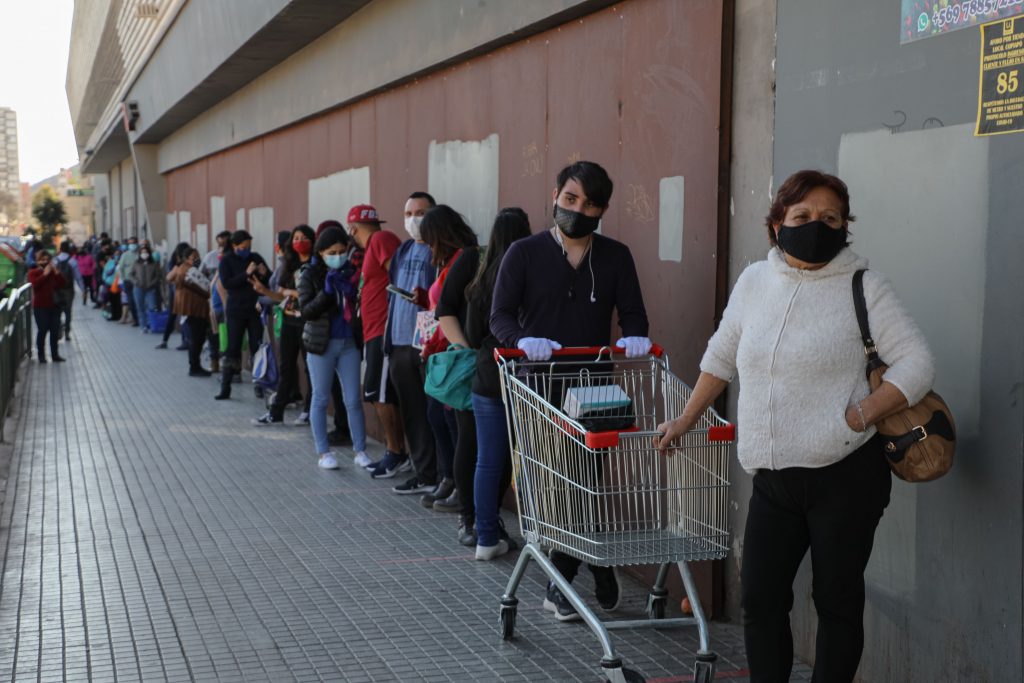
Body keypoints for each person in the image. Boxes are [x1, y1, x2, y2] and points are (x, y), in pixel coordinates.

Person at [655, 170, 935, 682]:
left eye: (830, 218)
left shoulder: (864, 287)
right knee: (760, 601)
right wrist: (686, 419)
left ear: (845, 227)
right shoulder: (755, 282)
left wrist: (865, 412)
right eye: (802, 216)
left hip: (845, 475)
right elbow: (722, 356)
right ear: (776, 224)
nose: (816, 226)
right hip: (774, 479)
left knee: (837, 602)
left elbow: (917, 362)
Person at [490, 160, 651, 620]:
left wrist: (634, 336)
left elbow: (634, 314)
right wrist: (520, 340)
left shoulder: (616, 256)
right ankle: (574, 578)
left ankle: (575, 569)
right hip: (536, 388)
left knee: (585, 483)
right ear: (556, 195)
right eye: (570, 199)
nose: (578, 210)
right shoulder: (523, 253)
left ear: (602, 209)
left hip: (597, 390)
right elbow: (498, 315)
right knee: (555, 490)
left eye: (591, 204)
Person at [435, 207, 531, 558]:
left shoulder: (482, 277)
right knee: (525, 459)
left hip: (488, 375)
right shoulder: (532, 272)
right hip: (526, 378)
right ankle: (538, 534)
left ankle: (485, 536)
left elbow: (474, 334)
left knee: (485, 458)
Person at [416, 205, 480, 513]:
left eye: (430, 239)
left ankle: (458, 486)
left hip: (455, 355)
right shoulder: (449, 263)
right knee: (438, 418)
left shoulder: (465, 259)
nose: (429, 247)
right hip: (443, 353)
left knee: (454, 424)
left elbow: (451, 310)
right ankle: (450, 479)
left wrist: (459, 348)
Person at [297, 226, 368, 469]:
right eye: (331, 252)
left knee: (353, 400)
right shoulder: (309, 274)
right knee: (320, 398)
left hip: (349, 343)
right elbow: (305, 310)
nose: (337, 256)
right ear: (321, 252)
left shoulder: (352, 273)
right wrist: (327, 293)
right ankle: (323, 452)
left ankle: (360, 450)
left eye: (341, 251)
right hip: (321, 345)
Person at [382, 193, 439, 494]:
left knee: (435, 414)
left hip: (427, 345)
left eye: (421, 212)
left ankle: (443, 475)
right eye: (408, 213)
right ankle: (425, 473)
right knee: (413, 413)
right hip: (400, 343)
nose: (414, 219)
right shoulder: (403, 250)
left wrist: (426, 296)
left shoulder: (438, 250)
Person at [346, 205, 409, 475]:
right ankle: (396, 451)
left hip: (383, 331)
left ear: (352, 229)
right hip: (374, 330)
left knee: (378, 392)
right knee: (377, 393)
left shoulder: (381, 240)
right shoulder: (374, 243)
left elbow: (398, 276)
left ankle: (396, 453)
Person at [251, 225, 315, 426]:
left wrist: (291, 293)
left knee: (309, 368)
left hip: (308, 322)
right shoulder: (289, 265)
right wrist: (264, 291)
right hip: (288, 320)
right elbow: (280, 296)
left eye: (304, 237)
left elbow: (310, 295)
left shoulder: (316, 265)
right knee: (286, 366)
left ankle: (308, 410)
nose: (299, 241)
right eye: (296, 238)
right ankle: (276, 412)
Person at [216, 230, 270, 400]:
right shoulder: (226, 261)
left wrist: (264, 273)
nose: (246, 249)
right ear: (234, 246)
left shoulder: (255, 257)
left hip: (254, 309)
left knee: (257, 346)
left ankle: (259, 385)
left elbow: (269, 280)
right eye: (243, 246)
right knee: (232, 348)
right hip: (235, 310)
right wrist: (246, 273)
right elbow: (227, 284)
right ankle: (225, 387)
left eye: (248, 246)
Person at [169, 246, 213, 377]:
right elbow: (206, 287)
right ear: (186, 258)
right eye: (194, 257)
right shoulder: (190, 271)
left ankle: (195, 366)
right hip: (194, 309)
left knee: (195, 338)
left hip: (189, 309)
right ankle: (195, 367)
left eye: (198, 256)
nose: (197, 259)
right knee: (196, 339)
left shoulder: (182, 269)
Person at [27, 249, 66, 363]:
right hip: (40, 306)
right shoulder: (33, 272)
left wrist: (56, 271)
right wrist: (44, 274)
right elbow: (36, 284)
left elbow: (63, 283)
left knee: (54, 330)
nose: (45, 262)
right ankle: (41, 355)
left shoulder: (54, 271)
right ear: (38, 261)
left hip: (55, 305)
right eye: (42, 260)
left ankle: (55, 355)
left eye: (47, 260)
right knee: (42, 330)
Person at [53, 241, 83, 341]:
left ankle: (58, 330)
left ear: (60, 249)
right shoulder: (72, 261)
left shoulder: (55, 260)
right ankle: (67, 333)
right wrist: (83, 289)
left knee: (57, 311)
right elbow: (78, 277)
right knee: (68, 312)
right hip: (69, 290)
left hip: (57, 290)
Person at [132, 245, 163, 332]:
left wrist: (153, 283)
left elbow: (158, 276)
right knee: (140, 307)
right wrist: (136, 282)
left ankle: (151, 323)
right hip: (138, 288)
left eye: (146, 252)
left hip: (150, 288)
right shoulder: (136, 263)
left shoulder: (154, 264)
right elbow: (131, 274)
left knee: (152, 307)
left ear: (149, 253)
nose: (144, 254)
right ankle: (143, 326)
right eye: (142, 252)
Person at [117, 237, 140, 326]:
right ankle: (135, 319)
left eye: (133, 243)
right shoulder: (125, 255)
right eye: (130, 244)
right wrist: (123, 278)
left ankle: (140, 318)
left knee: (138, 300)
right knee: (131, 300)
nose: (132, 245)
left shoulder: (139, 254)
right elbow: (121, 268)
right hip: (128, 281)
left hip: (138, 281)